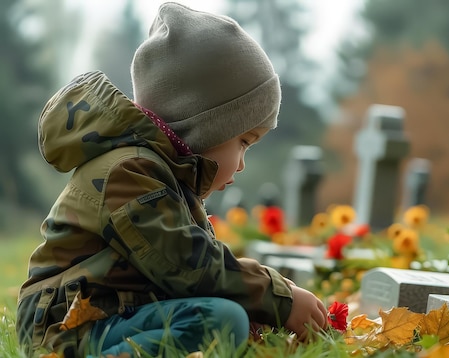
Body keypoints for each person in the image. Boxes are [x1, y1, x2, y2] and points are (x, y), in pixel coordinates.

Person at [16, 2, 328, 357]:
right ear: (204, 124)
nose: (241, 165)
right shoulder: (128, 172)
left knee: (231, 317)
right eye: (244, 142)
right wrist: (276, 298)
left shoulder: (163, 176)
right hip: (67, 327)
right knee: (221, 321)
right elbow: (187, 265)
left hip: (110, 315)